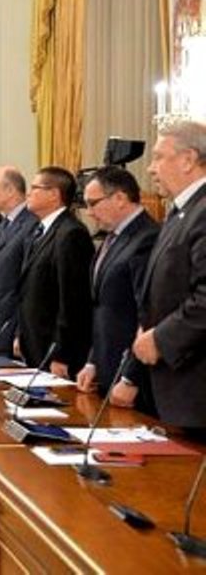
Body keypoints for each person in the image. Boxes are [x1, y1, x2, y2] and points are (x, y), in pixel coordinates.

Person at [133, 120, 206, 429]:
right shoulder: (180, 212)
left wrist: (161, 338)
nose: (151, 169)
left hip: (196, 386)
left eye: (159, 157)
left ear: (188, 160)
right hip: (174, 384)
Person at [74, 167, 158, 414]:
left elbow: (148, 314)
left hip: (134, 378)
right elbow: (102, 307)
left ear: (120, 198)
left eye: (93, 203)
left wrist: (131, 377)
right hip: (107, 368)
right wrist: (93, 361)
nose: (89, 212)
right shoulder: (111, 238)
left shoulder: (147, 238)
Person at [15, 167, 94, 377]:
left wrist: (62, 353)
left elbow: (73, 301)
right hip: (34, 342)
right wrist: (21, 335)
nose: (28, 193)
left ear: (54, 194)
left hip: (54, 348)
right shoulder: (38, 230)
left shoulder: (71, 234)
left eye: (35, 188)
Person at [0, 167, 38, 354]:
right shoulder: (4, 223)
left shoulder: (31, 224)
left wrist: (19, 332)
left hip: (11, 326)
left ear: (11, 190)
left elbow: (27, 285)